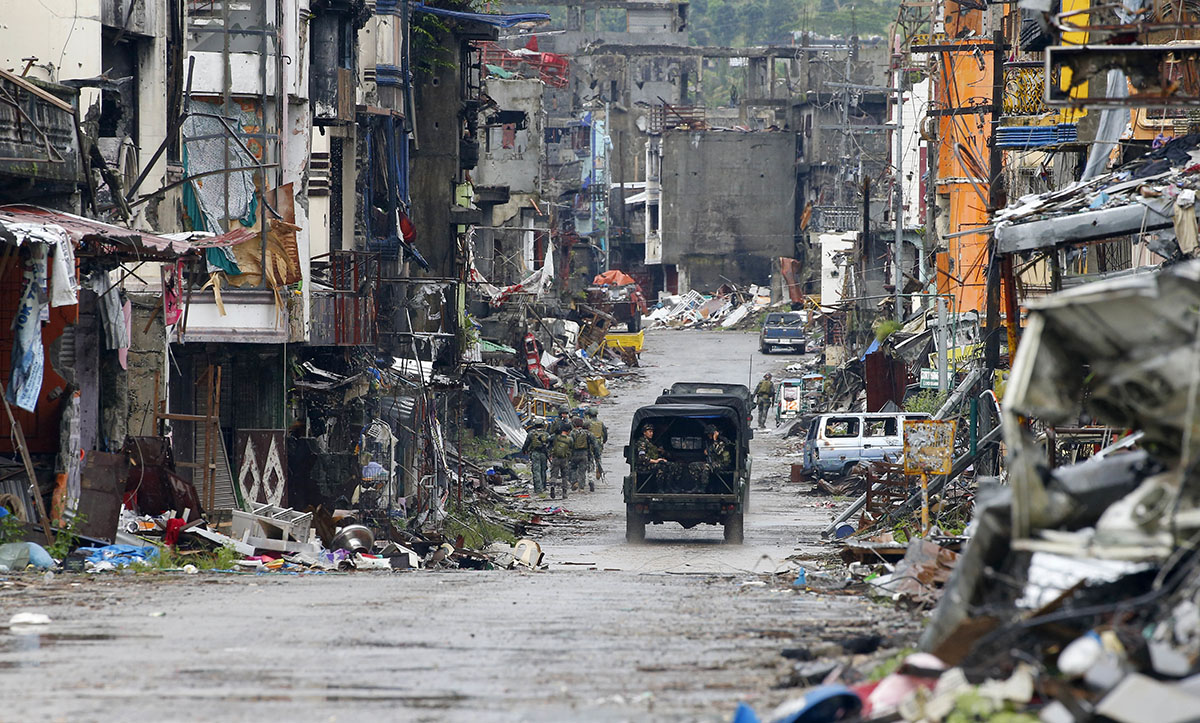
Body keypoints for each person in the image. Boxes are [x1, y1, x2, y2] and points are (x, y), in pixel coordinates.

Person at [569, 417, 601, 492]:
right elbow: (595, 445)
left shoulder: (572, 433)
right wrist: (597, 456)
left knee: (573, 468)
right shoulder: (588, 433)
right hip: (585, 454)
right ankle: (582, 487)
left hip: (574, 454)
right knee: (582, 471)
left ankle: (574, 482)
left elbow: (569, 444)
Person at [521, 419, 550, 495]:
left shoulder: (531, 433)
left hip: (535, 453)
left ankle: (538, 489)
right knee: (543, 470)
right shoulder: (546, 434)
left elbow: (526, 443)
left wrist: (524, 450)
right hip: (544, 454)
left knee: (536, 470)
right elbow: (550, 444)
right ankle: (543, 486)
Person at [548, 423, 573, 499]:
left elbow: (548, 439)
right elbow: (571, 448)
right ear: (568, 431)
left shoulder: (556, 437)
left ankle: (552, 485)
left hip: (555, 458)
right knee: (564, 476)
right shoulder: (569, 439)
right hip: (564, 459)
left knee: (554, 475)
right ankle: (564, 493)